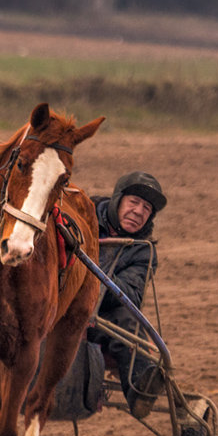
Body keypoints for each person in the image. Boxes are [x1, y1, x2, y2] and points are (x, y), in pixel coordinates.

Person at [89, 171, 167, 418]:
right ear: (117, 200)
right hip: (53, 306)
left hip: (100, 322)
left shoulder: (143, 252)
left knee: (127, 316)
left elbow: (129, 294)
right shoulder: (83, 215)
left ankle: (141, 388)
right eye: (133, 202)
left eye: (147, 208)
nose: (138, 211)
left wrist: (87, 280)